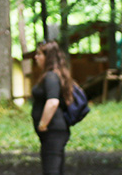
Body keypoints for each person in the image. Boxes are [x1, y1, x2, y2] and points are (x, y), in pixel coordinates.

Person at [32, 40, 75, 175]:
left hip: (53, 131)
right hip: (54, 132)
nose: (36, 57)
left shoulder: (51, 76)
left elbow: (52, 102)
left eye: (39, 54)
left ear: (48, 57)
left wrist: (43, 124)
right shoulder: (54, 75)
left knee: (52, 171)